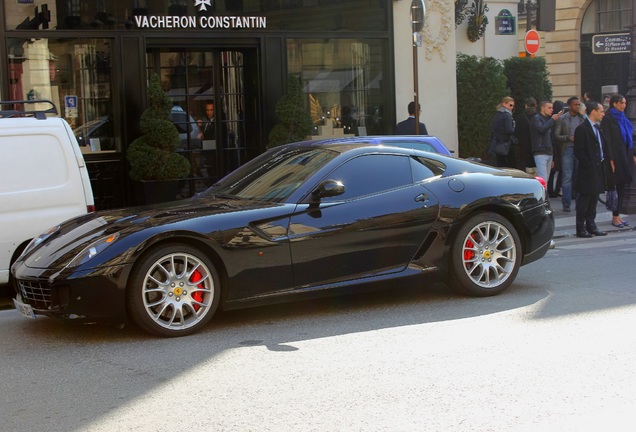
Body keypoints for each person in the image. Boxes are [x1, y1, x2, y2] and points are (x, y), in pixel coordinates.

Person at [573, 101, 608, 238]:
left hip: (598, 168)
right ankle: (580, 228)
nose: (603, 114)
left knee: (594, 199)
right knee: (584, 200)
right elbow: (579, 151)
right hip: (587, 171)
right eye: (601, 111)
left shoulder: (598, 128)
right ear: (593, 111)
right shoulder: (582, 128)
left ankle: (591, 226)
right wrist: (588, 164)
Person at [601, 94, 635, 228]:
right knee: (615, 187)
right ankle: (615, 216)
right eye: (621, 103)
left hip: (625, 156)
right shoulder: (608, 118)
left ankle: (617, 215)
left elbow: (629, 138)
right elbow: (607, 140)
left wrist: (632, 154)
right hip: (615, 158)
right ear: (614, 103)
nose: (624, 106)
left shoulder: (623, 118)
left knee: (623, 187)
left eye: (625, 103)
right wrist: (611, 159)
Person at [553, 96, 585, 212]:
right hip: (567, 149)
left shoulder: (582, 118)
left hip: (580, 149)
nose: (578, 106)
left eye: (579, 105)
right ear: (570, 106)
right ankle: (566, 203)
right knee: (567, 177)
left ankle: (578, 201)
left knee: (579, 176)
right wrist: (568, 138)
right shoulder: (562, 119)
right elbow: (556, 136)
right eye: (576, 105)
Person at [530, 100, 560, 182]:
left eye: (552, 108)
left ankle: (544, 194)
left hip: (548, 152)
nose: (552, 110)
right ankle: (542, 194)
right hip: (540, 152)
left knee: (546, 178)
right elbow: (541, 129)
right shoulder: (536, 118)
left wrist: (553, 154)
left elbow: (550, 137)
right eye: (549, 108)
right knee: (543, 178)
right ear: (542, 108)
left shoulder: (548, 119)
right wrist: (552, 120)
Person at [490, 96, 516, 168]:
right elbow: (509, 130)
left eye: (513, 106)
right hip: (506, 144)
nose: (512, 108)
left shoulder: (497, 114)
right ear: (504, 103)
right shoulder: (507, 115)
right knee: (512, 166)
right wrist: (513, 128)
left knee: (500, 165)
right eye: (510, 105)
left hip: (497, 143)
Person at [513, 97, 537, 173]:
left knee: (527, 165)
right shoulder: (539, 117)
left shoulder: (520, 117)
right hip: (536, 145)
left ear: (526, 105)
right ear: (535, 106)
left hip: (524, 146)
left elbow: (516, 132)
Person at [547, 100, 565, 198]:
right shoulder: (560, 119)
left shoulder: (551, 119)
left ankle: (550, 190)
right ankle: (557, 189)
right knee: (560, 170)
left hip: (553, 147)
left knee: (552, 171)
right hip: (559, 147)